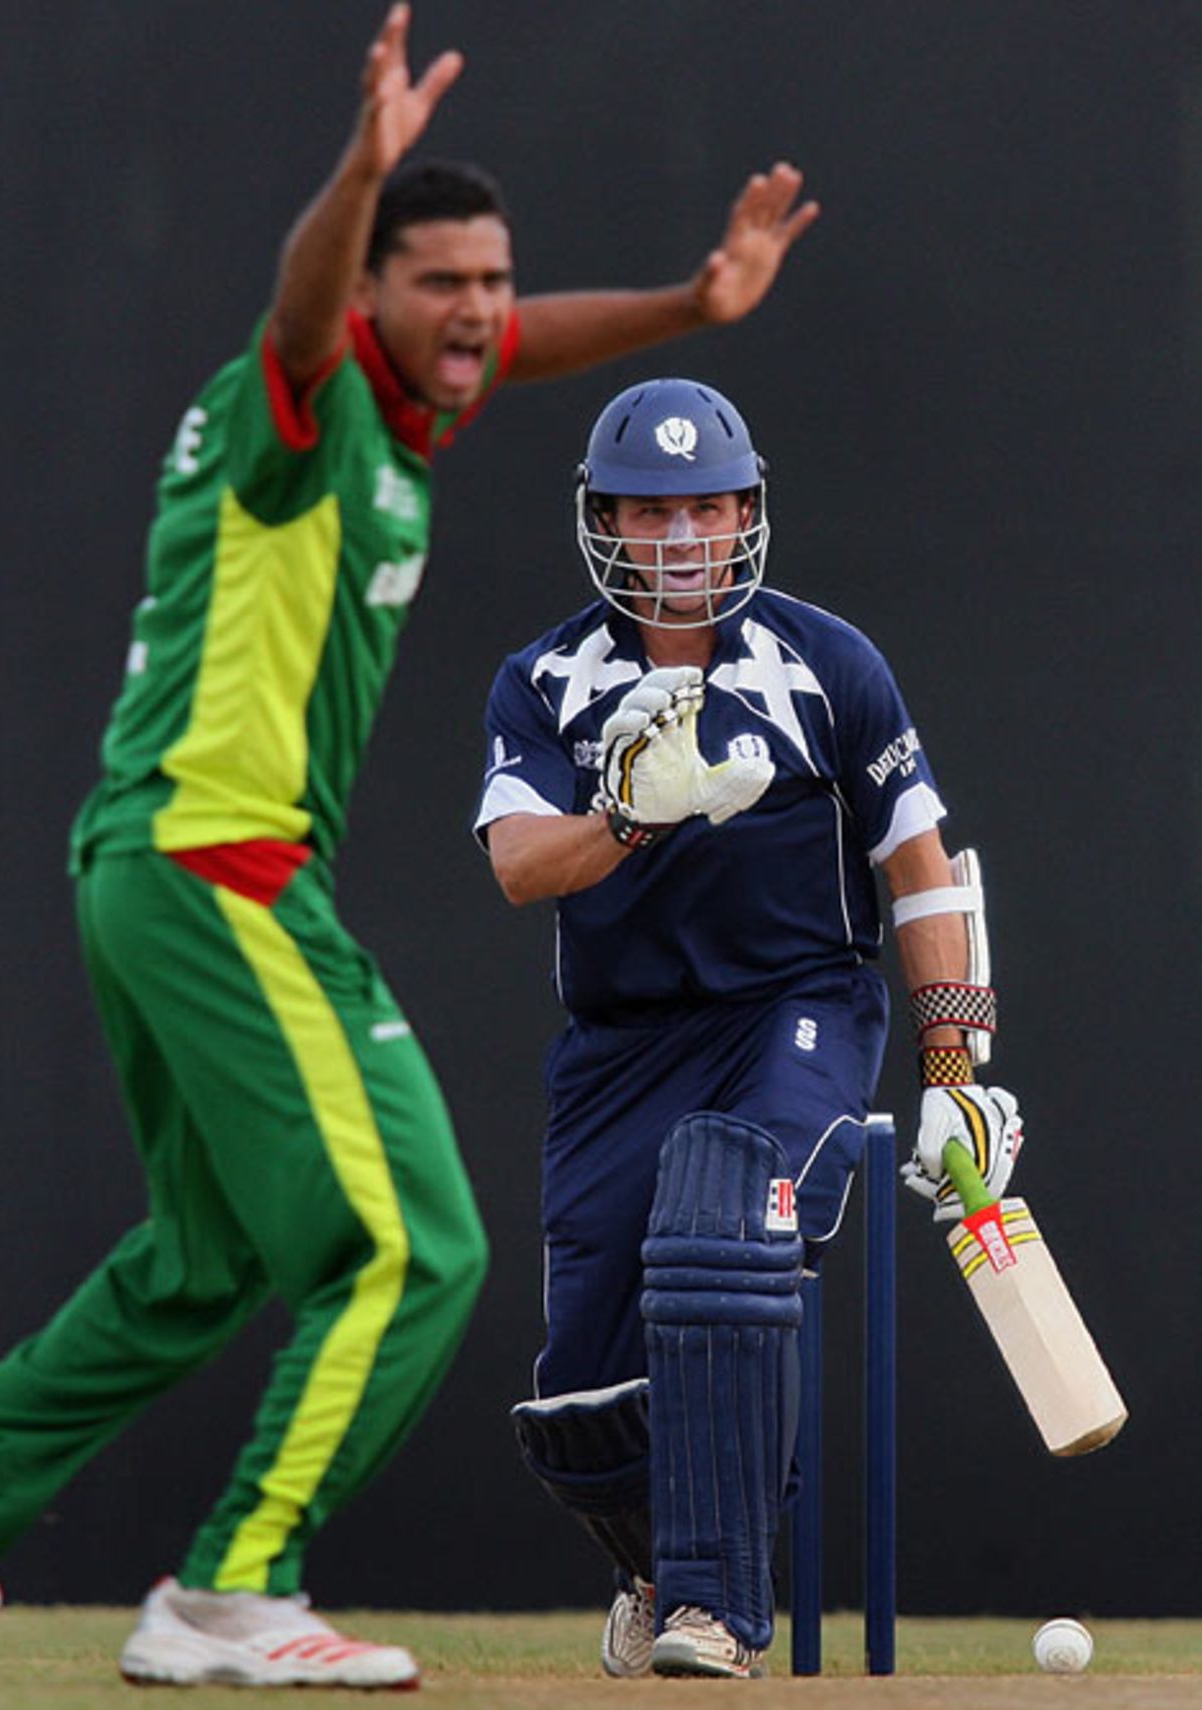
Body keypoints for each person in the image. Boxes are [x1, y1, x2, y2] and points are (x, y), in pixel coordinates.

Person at [0, 5, 822, 1691]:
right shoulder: (302, 405)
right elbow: (308, 303)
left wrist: (690, 308)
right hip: (224, 872)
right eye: (443, 280)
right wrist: (361, 167)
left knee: (207, 1256)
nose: (480, 308)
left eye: (495, 277)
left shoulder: (394, 416)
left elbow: (507, 341)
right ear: (365, 297)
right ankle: (232, 1588)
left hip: (148, 866)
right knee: (416, 1242)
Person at [475, 376, 1024, 1679]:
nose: (679, 537)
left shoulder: (826, 661)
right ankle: (652, 1561)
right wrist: (628, 812)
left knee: (723, 1220)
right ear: (603, 518)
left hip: (797, 1010)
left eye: (706, 506)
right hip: (621, 1046)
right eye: (649, 512)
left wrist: (954, 1069)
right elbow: (515, 865)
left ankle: (718, 1603)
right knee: (584, 1389)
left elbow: (924, 866)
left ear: (745, 513)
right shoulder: (544, 679)